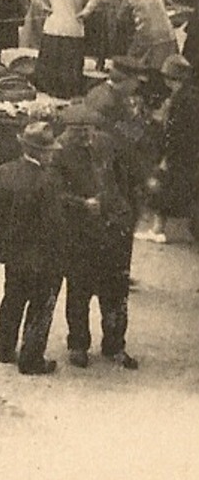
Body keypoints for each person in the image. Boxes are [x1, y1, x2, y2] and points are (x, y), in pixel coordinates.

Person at [54, 102, 140, 370]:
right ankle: (78, 345)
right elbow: (55, 195)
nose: (86, 137)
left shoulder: (105, 143)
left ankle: (115, 345)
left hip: (114, 231)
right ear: (67, 130)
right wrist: (81, 204)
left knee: (115, 293)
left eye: (89, 130)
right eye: (79, 131)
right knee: (79, 293)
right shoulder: (57, 154)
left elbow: (123, 178)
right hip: (81, 234)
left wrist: (125, 211)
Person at [0, 122, 66, 374]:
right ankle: (32, 359)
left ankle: (5, 348)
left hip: (12, 252)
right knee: (40, 305)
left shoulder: (4, 171)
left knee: (12, 298)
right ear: (41, 152)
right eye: (50, 151)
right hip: (41, 255)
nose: (52, 154)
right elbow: (54, 222)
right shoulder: (48, 180)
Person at [146, 54, 197, 244]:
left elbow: (174, 131)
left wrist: (165, 156)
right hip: (191, 151)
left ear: (169, 78)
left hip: (179, 152)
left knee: (162, 186)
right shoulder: (191, 95)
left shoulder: (179, 100)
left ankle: (158, 228)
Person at [27, 0, 102, 98]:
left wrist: (44, 7)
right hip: (74, 26)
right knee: (70, 61)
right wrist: (86, 12)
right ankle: (68, 90)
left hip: (53, 25)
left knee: (50, 59)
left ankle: (46, 88)